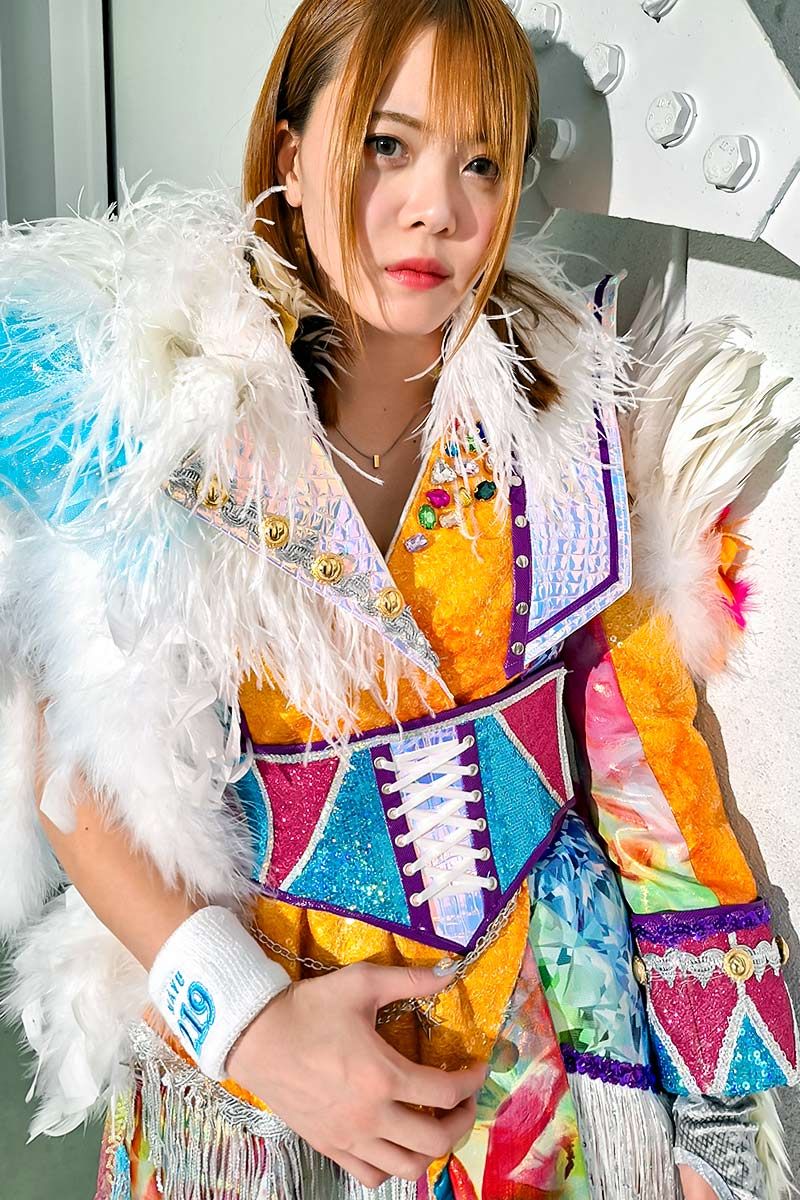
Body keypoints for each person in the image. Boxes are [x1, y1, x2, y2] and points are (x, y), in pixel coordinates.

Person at [0, 1, 797, 1198]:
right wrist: (252, 1028)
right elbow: (75, 776)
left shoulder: (568, 434)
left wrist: (720, 1129)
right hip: (248, 1081)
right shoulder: (161, 414)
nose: (436, 207)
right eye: (387, 144)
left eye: (480, 161)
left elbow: (645, 772)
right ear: (289, 151)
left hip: (541, 1050)